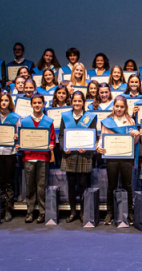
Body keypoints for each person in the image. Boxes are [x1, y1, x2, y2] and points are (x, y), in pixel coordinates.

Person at [97, 95, 139, 225]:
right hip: (112, 157)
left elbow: (135, 142)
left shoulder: (131, 121)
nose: (119, 109)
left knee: (128, 185)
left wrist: (136, 136)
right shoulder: (107, 121)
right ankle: (110, 212)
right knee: (112, 185)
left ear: (125, 107)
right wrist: (99, 147)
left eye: (122, 106)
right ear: (113, 107)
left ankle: (130, 211)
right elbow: (102, 137)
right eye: (117, 106)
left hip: (126, 158)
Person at [18, 93, 56, 224]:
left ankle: (42, 212)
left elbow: (52, 139)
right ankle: (30, 212)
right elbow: (21, 138)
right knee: (29, 186)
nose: (37, 105)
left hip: (43, 157)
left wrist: (51, 145)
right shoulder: (25, 121)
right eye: (35, 103)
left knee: (41, 186)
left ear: (44, 104)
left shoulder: (48, 121)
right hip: (28, 156)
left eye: (40, 103)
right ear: (31, 104)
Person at [59, 91, 95, 223]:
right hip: (70, 156)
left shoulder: (89, 117)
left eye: (80, 101)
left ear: (83, 102)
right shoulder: (65, 116)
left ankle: (83, 212)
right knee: (71, 185)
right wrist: (64, 147)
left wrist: (88, 147)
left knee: (83, 185)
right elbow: (62, 136)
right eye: (75, 101)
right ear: (71, 101)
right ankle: (73, 211)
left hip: (84, 156)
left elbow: (93, 135)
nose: (77, 103)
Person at [0, 91, 20, 222]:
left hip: (9, 153)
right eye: (2, 101)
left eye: (6, 100)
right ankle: (0, 208)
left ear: (10, 102)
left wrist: (16, 138)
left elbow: (19, 135)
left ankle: (9, 209)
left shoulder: (15, 117)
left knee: (9, 181)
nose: (4, 103)